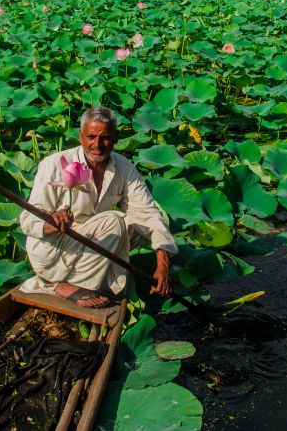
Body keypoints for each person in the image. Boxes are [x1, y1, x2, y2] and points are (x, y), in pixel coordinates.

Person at [18, 107, 177, 307]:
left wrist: (163, 264)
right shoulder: (55, 165)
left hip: (91, 246)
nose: (97, 145)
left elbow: (147, 212)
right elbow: (28, 219)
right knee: (114, 220)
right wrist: (51, 221)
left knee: (133, 226)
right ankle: (58, 285)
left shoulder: (124, 167)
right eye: (91, 137)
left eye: (105, 137)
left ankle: (91, 280)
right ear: (81, 136)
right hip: (54, 253)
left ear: (117, 137)